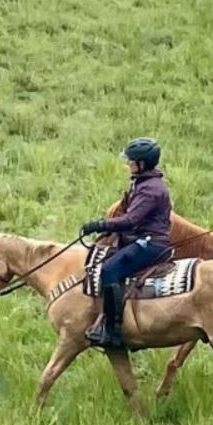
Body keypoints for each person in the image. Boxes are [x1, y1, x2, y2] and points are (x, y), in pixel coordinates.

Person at [79, 137, 173, 348]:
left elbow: (131, 220)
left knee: (109, 271)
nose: (128, 164)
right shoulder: (143, 183)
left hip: (149, 243)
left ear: (142, 163)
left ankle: (113, 330)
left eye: (131, 160)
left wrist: (100, 225)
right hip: (140, 239)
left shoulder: (150, 189)